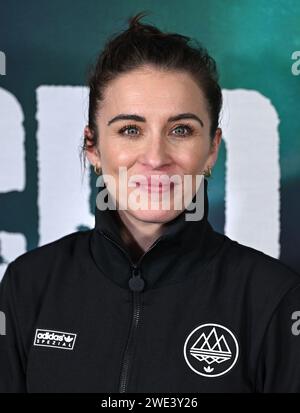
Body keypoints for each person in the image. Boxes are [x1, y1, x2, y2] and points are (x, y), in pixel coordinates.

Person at [1, 11, 300, 393]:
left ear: (211, 149)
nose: (156, 157)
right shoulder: (30, 285)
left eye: (180, 130)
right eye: (130, 129)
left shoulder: (273, 299)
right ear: (92, 146)